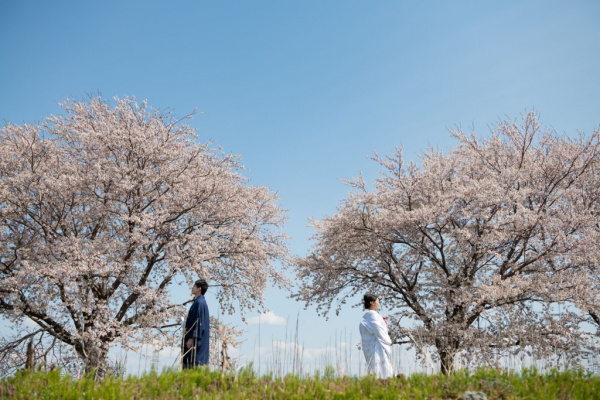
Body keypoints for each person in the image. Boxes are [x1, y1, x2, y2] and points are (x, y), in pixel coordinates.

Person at [359, 293, 393, 378]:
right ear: (372, 303)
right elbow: (378, 329)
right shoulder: (372, 315)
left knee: (377, 367)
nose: (379, 304)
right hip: (377, 346)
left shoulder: (371, 316)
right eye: (378, 302)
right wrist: (387, 340)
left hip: (374, 345)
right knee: (381, 367)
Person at [182, 279, 210, 368]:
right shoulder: (198, 302)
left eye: (194, 286)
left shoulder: (200, 303)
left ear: (199, 289)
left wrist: (191, 338)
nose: (192, 287)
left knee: (192, 366)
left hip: (196, 343)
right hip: (194, 341)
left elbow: (199, 322)